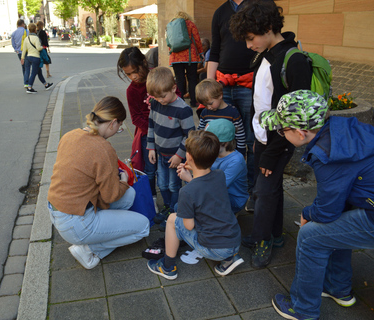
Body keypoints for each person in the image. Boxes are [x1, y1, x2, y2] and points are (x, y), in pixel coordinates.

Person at [259, 90, 374, 320]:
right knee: (337, 222)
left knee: (311, 236)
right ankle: (337, 288)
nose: (280, 134)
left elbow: (326, 211)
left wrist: (307, 213)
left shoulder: (328, 155)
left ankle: (303, 309)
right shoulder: (341, 129)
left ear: (301, 133)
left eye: (282, 130)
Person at [229, 0, 312, 268]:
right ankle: (275, 235)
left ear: (267, 28)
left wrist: (271, 153)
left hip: (280, 141)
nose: (248, 44)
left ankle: (262, 239)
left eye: (251, 38)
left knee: (263, 191)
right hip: (264, 137)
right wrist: (257, 141)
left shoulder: (293, 60)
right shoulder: (265, 54)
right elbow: (261, 101)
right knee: (271, 187)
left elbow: (292, 117)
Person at [47, 96, 150, 269]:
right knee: (143, 227)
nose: (117, 131)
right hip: (76, 222)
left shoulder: (70, 135)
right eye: (119, 128)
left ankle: (95, 234)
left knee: (130, 195)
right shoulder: (103, 148)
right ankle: (89, 249)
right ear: (113, 123)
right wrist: (123, 181)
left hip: (58, 211)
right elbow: (110, 195)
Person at [147, 130, 243, 279]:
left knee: (173, 219)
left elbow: (189, 226)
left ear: (189, 157)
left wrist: (190, 181)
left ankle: (167, 267)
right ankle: (228, 261)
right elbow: (206, 189)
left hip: (214, 249)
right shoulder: (220, 175)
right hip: (234, 241)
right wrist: (192, 176)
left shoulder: (187, 192)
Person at [207, 0, 256, 202]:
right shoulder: (220, 12)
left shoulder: (258, 5)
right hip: (222, 86)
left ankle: (250, 189)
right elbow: (215, 51)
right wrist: (209, 86)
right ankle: (225, 185)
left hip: (249, 84)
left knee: (251, 140)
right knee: (220, 137)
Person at [146, 66, 195, 222]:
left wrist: (178, 156)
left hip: (175, 156)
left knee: (174, 185)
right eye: (155, 97)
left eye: (163, 96)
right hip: (161, 153)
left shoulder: (183, 110)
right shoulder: (155, 103)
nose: (160, 100)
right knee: (162, 183)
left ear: (174, 88)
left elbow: (190, 135)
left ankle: (174, 210)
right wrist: (151, 147)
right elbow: (151, 125)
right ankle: (167, 206)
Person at [117, 47, 157, 203]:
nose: (133, 76)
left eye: (135, 70)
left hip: (169, 130)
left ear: (144, 63)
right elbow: (136, 118)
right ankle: (151, 198)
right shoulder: (131, 91)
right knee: (150, 170)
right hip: (147, 135)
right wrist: (152, 132)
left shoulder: (157, 78)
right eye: (128, 74)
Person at [196, 79, 246, 155]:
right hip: (210, 153)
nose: (208, 107)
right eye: (205, 105)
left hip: (229, 153)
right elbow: (200, 131)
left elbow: (240, 134)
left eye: (210, 103)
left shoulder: (233, 112)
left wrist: (241, 151)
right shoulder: (205, 113)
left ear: (220, 95)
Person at [167, 11, 203, 109]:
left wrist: (171, 53)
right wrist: (200, 52)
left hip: (175, 57)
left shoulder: (171, 25)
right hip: (190, 57)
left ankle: (180, 101)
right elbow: (197, 40)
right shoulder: (190, 24)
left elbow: (169, 42)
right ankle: (193, 101)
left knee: (179, 80)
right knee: (192, 79)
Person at [21, 23, 53, 94]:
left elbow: (24, 49)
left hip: (29, 57)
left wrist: (22, 58)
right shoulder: (36, 38)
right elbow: (38, 48)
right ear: (35, 30)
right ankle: (29, 87)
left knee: (39, 72)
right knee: (34, 73)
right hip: (36, 57)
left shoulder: (27, 38)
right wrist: (42, 47)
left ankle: (46, 84)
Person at [11, 19, 28, 87]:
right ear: (23, 24)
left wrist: (16, 49)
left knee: (23, 66)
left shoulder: (14, 33)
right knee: (27, 66)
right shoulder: (26, 31)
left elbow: (13, 43)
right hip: (26, 51)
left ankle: (25, 81)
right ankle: (27, 81)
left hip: (19, 52)